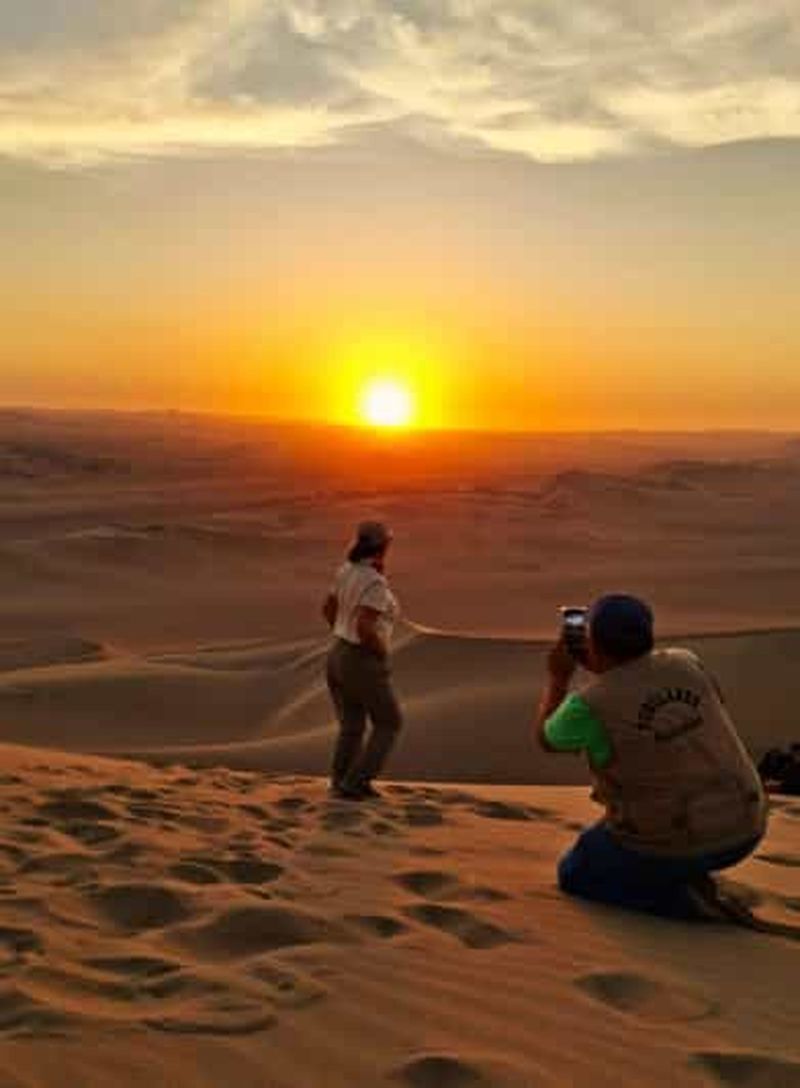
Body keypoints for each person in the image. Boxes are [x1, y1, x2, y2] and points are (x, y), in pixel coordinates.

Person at [534, 594, 768, 921]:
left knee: (577, 871)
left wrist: (559, 678)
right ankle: (682, 874)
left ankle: (683, 904)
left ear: (593, 645)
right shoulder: (685, 661)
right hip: (747, 825)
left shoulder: (588, 706)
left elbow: (547, 738)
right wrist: (610, 670)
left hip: (676, 840)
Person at [322, 521, 403, 800]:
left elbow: (328, 608)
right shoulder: (374, 582)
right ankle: (357, 782)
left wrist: (341, 632)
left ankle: (340, 781)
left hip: (337, 654)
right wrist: (380, 654)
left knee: (352, 725)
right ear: (383, 547)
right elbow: (365, 627)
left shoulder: (347, 570)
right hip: (360, 659)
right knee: (389, 722)